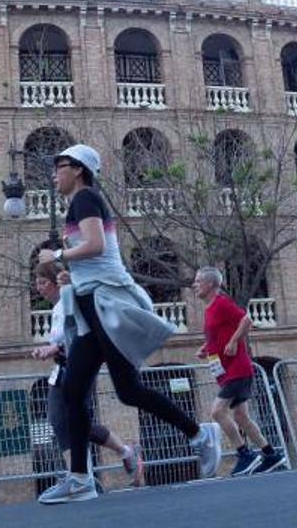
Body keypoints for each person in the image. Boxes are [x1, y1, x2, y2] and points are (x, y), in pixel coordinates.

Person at [35, 144, 222, 503]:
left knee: (124, 390)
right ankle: (79, 480)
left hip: (105, 306)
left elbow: (94, 245)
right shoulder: (82, 201)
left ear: (78, 169)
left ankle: (201, 434)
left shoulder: (85, 198)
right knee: (79, 391)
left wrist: (57, 255)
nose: (55, 174)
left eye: (60, 166)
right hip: (92, 305)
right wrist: (72, 276)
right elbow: (94, 259)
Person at [30, 260, 144, 489]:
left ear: (55, 282)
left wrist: (55, 348)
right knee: (74, 422)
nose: (38, 288)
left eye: (43, 282)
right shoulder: (56, 308)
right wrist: (48, 348)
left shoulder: (70, 303)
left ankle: (81, 477)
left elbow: (79, 334)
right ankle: (110, 459)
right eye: (37, 283)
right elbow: (60, 339)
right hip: (64, 368)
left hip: (78, 367)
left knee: (61, 420)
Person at [192, 266, 285, 476]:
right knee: (241, 416)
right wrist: (206, 348)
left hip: (237, 369)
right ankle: (271, 455)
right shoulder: (209, 309)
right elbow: (219, 336)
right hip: (226, 371)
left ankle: (245, 454)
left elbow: (246, 320)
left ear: (210, 284)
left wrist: (234, 341)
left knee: (217, 412)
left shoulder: (222, 303)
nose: (194, 285)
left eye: (198, 281)